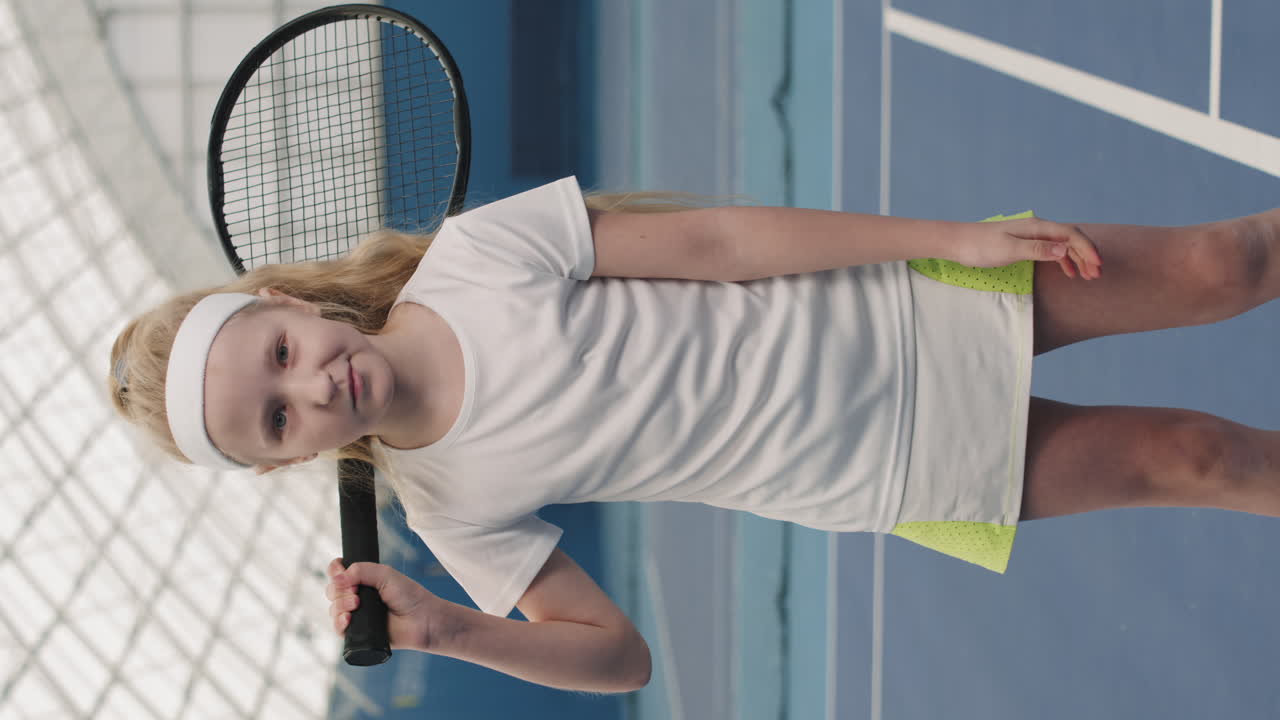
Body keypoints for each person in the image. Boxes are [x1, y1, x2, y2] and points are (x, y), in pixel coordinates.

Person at [109, 176, 1280, 693]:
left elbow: (719, 242)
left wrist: (944, 238)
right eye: (274, 422)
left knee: (1221, 263)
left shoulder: (477, 255)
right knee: (1198, 458)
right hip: (890, 462)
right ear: (292, 459)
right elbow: (616, 656)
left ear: (296, 310)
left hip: (908, 306)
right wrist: (452, 630)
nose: (307, 390)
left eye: (276, 355)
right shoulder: (446, 506)